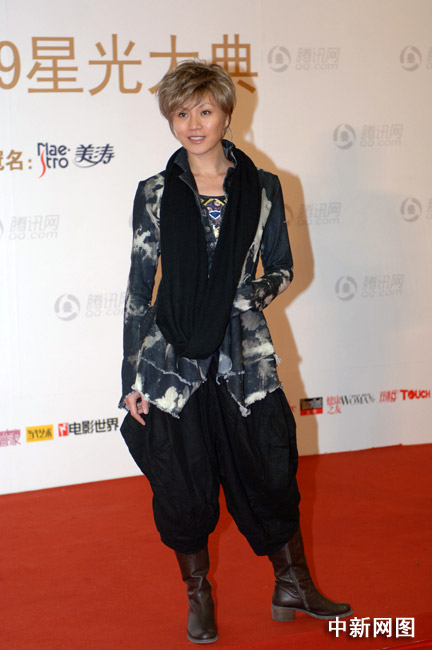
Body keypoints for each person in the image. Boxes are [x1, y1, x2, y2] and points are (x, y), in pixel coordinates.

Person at [119, 60, 351, 644]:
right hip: (173, 359)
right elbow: (139, 288)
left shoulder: (264, 187)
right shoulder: (154, 193)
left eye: (204, 110)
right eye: (181, 113)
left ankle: (292, 583)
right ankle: (198, 595)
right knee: (182, 479)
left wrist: (247, 295)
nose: (193, 123)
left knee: (270, 468)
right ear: (170, 119)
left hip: (244, 356)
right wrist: (131, 377)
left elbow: (283, 267)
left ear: (226, 114)